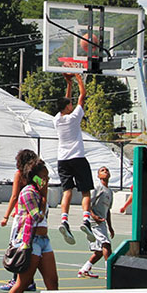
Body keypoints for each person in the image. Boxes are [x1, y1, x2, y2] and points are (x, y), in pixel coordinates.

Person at [0, 159, 58, 293]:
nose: (46, 180)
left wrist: (44, 193)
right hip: (31, 242)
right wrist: (44, 194)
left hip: (44, 240)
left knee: (52, 282)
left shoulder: (39, 193)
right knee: (22, 282)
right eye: (43, 177)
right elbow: (36, 216)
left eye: (47, 177)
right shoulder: (29, 192)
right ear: (35, 177)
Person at [54, 74, 95, 245]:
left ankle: (64, 220)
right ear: (68, 107)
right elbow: (82, 97)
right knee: (85, 191)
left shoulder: (57, 119)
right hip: (77, 156)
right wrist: (79, 79)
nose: (72, 104)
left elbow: (67, 100)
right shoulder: (74, 117)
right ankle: (85, 220)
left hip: (62, 159)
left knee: (67, 191)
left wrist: (68, 83)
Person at [0, 149, 39, 292]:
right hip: (33, 216)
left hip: (21, 217)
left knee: (17, 247)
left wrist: (6, 216)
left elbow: (14, 196)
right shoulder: (36, 177)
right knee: (28, 247)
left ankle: (17, 280)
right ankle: (28, 280)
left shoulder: (19, 175)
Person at [78, 167, 115, 278]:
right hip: (94, 222)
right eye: (102, 170)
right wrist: (94, 216)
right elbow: (87, 204)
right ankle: (110, 272)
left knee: (99, 251)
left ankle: (85, 269)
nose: (105, 171)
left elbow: (108, 211)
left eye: (107, 170)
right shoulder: (97, 188)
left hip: (102, 223)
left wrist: (110, 227)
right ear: (98, 176)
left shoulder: (110, 192)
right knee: (106, 245)